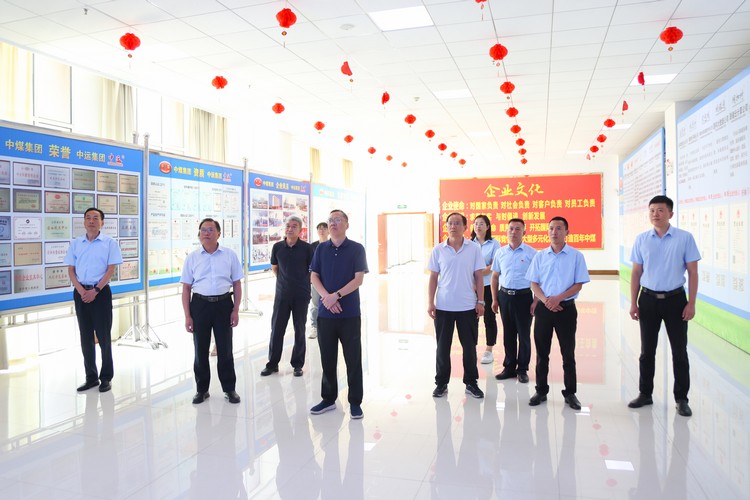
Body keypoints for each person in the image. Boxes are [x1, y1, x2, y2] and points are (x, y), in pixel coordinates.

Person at [628, 195, 700, 417]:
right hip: (648, 300)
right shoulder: (641, 239)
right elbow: (636, 273)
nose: (655, 214)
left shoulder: (684, 238)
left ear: (671, 213)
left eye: (660, 210)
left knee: (679, 351)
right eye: (652, 210)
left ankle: (682, 399)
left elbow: (693, 272)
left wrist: (691, 303)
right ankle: (645, 393)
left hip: (676, 300)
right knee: (646, 351)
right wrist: (633, 302)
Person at [309, 210, 368, 419]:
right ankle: (328, 399)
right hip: (326, 314)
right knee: (327, 358)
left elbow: (358, 279)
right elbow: (314, 276)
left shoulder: (356, 249)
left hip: (349, 313)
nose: (333, 223)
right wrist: (327, 297)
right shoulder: (321, 249)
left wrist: (337, 295)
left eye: (338, 220)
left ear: (347, 224)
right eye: (330, 220)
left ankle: (355, 402)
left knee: (353, 359)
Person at [526, 216, 590, 410]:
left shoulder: (576, 256)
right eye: (551, 228)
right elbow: (534, 283)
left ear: (567, 232)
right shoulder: (540, 256)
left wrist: (558, 298)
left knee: (567, 353)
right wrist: (546, 301)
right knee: (542, 353)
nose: (554, 232)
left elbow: (578, 284)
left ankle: (570, 393)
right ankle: (541, 390)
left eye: (559, 228)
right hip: (544, 309)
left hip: (566, 310)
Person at [181, 218, 243, 404]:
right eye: (203, 230)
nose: (206, 233)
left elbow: (237, 284)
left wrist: (236, 310)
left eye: (210, 229)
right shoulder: (192, 257)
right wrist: (187, 316)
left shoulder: (229, 255)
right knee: (200, 349)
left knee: (225, 349)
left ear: (218, 233)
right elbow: (186, 288)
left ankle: (229, 389)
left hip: (224, 304)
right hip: (200, 305)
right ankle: (202, 390)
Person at [428, 212, 486, 400]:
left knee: (469, 347)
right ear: (446, 226)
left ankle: (471, 382)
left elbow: (479, 277)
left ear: (465, 227)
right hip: (444, 306)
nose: (453, 226)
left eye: (457, 223)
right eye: (450, 223)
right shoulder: (438, 250)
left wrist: (480, 301)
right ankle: (441, 383)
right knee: (442, 347)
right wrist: (430, 302)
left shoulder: (474, 249)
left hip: (468, 306)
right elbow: (433, 278)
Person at [65, 207, 123, 393]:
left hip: (101, 293)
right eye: (88, 218)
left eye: (95, 218)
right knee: (85, 336)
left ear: (102, 223)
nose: (91, 221)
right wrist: (81, 290)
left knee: (104, 337)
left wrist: (96, 290)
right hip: (81, 293)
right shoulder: (76, 244)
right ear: (84, 222)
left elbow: (110, 270)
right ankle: (91, 377)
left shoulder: (109, 243)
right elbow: (71, 270)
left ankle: (106, 377)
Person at [261, 216, 314, 377]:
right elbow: (275, 268)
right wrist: (284, 283)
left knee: (299, 329)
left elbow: (312, 271)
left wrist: (301, 284)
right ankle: (272, 364)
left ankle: (297, 364)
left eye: (294, 226)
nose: (290, 229)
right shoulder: (278, 247)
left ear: (300, 230)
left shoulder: (307, 248)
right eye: (288, 226)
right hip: (282, 295)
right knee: (277, 329)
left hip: (301, 295)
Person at [490, 218, 537, 383]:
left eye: (518, 229)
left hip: (524, 298)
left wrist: (535, 301)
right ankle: (509, 367)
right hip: (505, 297)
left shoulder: (532, 253)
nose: (514, 232)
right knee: (508, 333)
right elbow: (495, 277)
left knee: (523, 335)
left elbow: (538, 280)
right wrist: (495, 299)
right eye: (511, 228)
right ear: (506, 231)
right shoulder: (500, 253)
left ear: (524, 232)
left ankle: (522, 369)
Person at [471, 215, 501, 364]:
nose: (478, 226)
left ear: (488, 226)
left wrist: (478, 272)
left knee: (489, 317)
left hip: (488, 285)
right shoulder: (469, 243)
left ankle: (489, 350)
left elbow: (494, 265)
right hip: (471, 286)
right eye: (476, 223)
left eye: (481, 223)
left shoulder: (494, 243)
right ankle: (471, 348)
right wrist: (476, 273)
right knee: (472, 318)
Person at [308, 221, 329, 339]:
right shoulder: (312, 246)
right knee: (315, 304)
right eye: (319, 228)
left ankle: (326, 327)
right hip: (316, 280)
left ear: (328, 231)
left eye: (324, 228)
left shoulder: (332, 244)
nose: (321, 230)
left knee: (328, 302)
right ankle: (314, 327)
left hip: (329, 279)